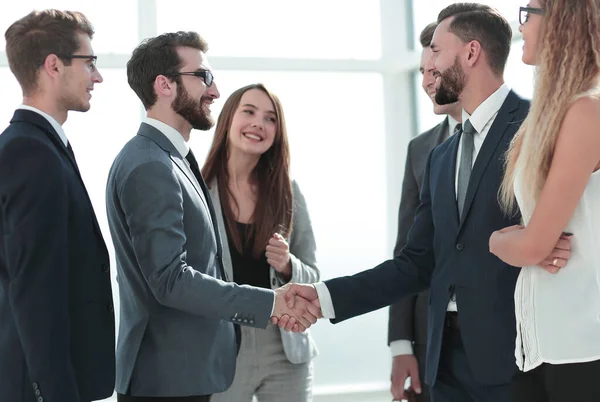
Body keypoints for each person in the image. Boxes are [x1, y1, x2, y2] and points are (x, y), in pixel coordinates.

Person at [275, 4, 555, 401]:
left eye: (437, 52)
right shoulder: (441, 157)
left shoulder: (538, 126)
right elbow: (416, 262)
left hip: (518, 361)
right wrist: (323, 297)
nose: (430, 67)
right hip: (444, 363)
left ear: (471, 54)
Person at [106, 32, 318, 402]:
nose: (215, 90)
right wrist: (270, 302)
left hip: (191, 371)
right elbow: (170, 280)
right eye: (203, 77)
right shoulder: (151, 166)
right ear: (165, 85)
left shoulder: (171, 160)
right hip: (169, 376)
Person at [0, 9, 115, 402]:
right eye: (90, 63)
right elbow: (34, 291)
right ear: (54, 65)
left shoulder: (35, 147)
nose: (97, 76)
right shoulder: (31, 154)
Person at [489, 1, 600, 401]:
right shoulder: (562, 112)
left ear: (561, 23)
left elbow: (535, 245)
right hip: (543, 347)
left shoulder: (587, 109)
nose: (522, 27)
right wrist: (523, 242)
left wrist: (499, 240)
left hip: (583, 351)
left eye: (528, 13)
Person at [205, 84, 319, 401]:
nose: (259, 124)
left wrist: (287, 266)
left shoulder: (288, 192)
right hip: (223, 348)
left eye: (270, 118)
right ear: (228, 119)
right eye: (249, 112)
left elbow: (314, 277)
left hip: (285, 349)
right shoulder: (198, 191)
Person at [388, 22, 462, 402]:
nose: (426, 83)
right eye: (421, 73)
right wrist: (400, 342)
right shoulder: (420, 149)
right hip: (428, 333)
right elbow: (407, 250)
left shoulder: (517, 134)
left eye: (434, 72)